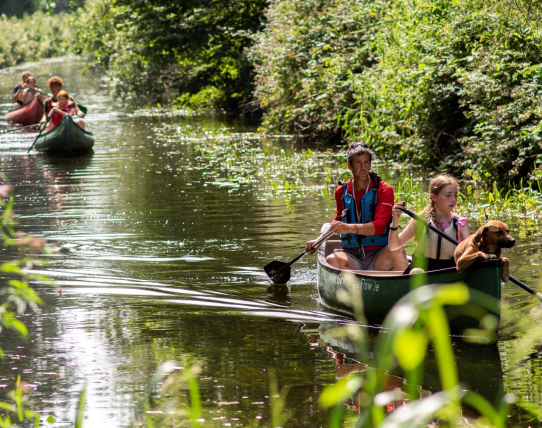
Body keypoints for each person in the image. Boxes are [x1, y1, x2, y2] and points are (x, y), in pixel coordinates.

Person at [305, 143, 408, 271]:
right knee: (332, 260)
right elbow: (339, 219)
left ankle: (404, 287)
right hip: (351, 256)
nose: (363, 167)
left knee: (398, 249)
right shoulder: (340, 192)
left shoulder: (384, 190)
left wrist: (348, 228)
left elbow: (379, 226)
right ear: (350, 166)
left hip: (379, 255)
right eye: (358, 163)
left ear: (370, 165)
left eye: (366, 163)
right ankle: (354, 286)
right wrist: (319, 240)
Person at [388, 174, 471, 272]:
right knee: (416, 272)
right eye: (448, 195)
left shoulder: (461, 224)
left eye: (455, 195)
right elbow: (393, 246)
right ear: (434, 197)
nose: (453, 199)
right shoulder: (420, 221)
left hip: (449, 271)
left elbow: (470, 251)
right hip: (422, 271)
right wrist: (395, 220)